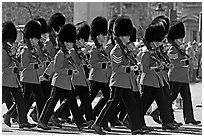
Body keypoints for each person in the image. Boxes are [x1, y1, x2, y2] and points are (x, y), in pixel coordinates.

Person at [91, 15, 148, 135]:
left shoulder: (125, 50)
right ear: (120, 36)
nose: (128, 37)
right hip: (118, 82)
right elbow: (117, 68)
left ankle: (136, 127)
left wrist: (136, 67)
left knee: (131, 105)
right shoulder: (116, 51)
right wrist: (130, 68)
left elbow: (129, 64)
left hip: (126, 83)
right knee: (111, 104)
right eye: (126, 35)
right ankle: (98, 124)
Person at [37, 23, 93, 130]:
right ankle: (42, 120)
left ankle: (80, 123)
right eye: (68, 42)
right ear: (64, 42)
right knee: (51, 102)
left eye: (71, 42)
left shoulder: (68, 53)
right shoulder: (60, 54)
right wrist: (69, 72)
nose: (70, 44)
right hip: (59, 82)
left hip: (67, 83)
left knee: (73, 104)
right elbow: (58, 69)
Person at [140, 19, 178, 130]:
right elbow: (145, 69)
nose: (158, 43)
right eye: (156, 41)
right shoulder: (145, 52)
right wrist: (157, 67)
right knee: (144, 104)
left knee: (163, 101)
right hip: (148, 81)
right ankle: (133, 120)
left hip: (158, 80)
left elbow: (161, 62)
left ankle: (167, 122)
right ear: (151, 41)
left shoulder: (156, 51)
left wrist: (166, 66)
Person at [2, 21, 36, 129]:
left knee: (20, 102)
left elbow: (19, 65)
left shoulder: (11, 50)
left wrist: (17, 62)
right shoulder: (3, 52)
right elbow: (3, 68)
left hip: (14, 81)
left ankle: (23, 121)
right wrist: (15, 69)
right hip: (6, 81)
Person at [167, 20, 201, 125]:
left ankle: (189, 118)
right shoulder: (172, 49)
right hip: (175, 77)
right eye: (180, 39)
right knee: (171, 97)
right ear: (175, 39)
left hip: (183, 77)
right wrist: (186, 60)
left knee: (187, 98)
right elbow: (174, 62)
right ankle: (160, 112)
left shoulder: (180, 49)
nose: (182, 40)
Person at [20, 19, 46, 121]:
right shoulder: (26, 49)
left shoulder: (34, 49)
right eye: (36, 39)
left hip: (35, 79)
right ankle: (20, 118)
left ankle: (42, 119)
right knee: (25, 100)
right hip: (27, 78)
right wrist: (36, 66)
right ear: (30, 39)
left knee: (40, 99)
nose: (37, 41)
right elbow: (25, 64)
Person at [88, 16, 111, 117]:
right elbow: (92, 63)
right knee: (90, 98)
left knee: (108, 97)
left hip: (103, 77)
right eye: (102, 35)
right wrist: (104, 64)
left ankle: (95, 112)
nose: (104, 37)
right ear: (97, 36)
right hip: (96, 77)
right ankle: (81, 113)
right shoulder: (95, 49)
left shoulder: (102, 48)